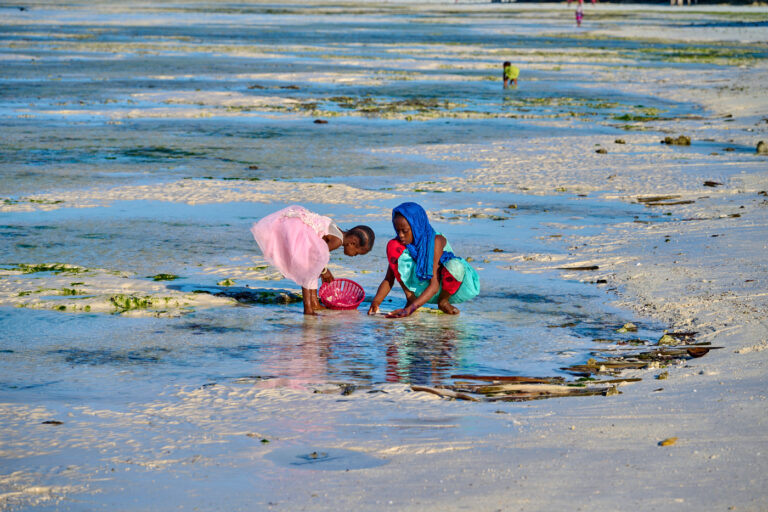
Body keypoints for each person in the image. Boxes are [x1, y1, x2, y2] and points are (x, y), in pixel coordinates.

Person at [250, 205, 374, 315]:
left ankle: (314, 302)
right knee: (309, 270)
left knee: (313, 270)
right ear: (352, 243)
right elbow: (314, 259)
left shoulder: (336, 228)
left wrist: (323, 269)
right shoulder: (337, 241)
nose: (354, 256)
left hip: (297, 226)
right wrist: (324, 270)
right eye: (357, 253)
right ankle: (308, 308)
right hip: (299, 233)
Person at [367, 202, 480, 318]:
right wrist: (376, 302)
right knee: (393, 245)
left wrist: (408, 311)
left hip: (442, 288)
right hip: (418, 290)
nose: (400, 235)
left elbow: (434, 286)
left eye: (404, 231)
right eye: (397, 231)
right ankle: (411, 299)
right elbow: (389, 279)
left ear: (416, 226)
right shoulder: (401, 246)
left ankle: (443, 302)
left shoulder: (435, 241)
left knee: (455, 266)